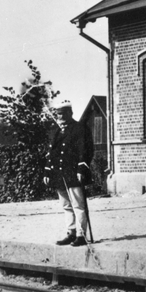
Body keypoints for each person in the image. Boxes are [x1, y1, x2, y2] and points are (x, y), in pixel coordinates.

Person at [44, 103, 94, 247]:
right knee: (66, 206)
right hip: (59, 174)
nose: (60, 116)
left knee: (78, 205)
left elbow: (86, 150)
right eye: (58, 114)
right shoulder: (57, 131)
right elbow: (51, 153)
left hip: (74, 174)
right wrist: (47, 171)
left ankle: (81, 235)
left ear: (70, 113)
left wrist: (81, 169)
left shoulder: (80, 128)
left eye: (63, 113)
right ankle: (71, 233)